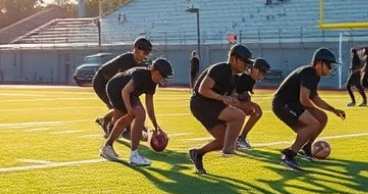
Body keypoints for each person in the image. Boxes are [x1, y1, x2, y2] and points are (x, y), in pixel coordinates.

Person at [271, 48, 346, 170]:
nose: (330, 69)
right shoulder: (309, 72)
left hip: (291, 103)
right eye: (329, 65)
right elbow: (304, 99)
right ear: (319, 62)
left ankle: (307, 147)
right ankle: (289, 155)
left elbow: (315, 98)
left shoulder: (314, 75)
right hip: (282, 104)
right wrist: (311, 115)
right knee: (313, 124)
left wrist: (333, 110)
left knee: (322, 117)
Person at [188, 44, 254, 175]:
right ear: (234, 59)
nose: (246, 65)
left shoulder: (235, 77)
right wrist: (222, 98)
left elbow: (229, 94)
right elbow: (203, 89)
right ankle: (229, 149)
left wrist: (236, 97)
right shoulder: (220, 69)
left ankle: (198, 153)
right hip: (201, 103)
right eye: (244, 62)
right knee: (238, 116)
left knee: (222, 141)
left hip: (211, 104)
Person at [99, 58, 172, 166]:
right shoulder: (141, 75)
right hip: (115, 89)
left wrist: (156, 126)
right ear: (155, 71)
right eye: (162, 75)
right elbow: (125, 91)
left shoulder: (153, 82)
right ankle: (133, 154)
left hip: (128, 93)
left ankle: (108, 147)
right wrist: (129, 109)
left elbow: (150, 106)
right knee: (135, 114)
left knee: (133, 115)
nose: (162, 79)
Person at [92, 37, 152, 134]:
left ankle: (106, 121)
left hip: (111, 84)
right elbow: (118, 82)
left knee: (122, 106)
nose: (146, 55)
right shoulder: (127, 60)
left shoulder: (138, 63)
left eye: (147, 53)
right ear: (136, 49)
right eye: (144, 52)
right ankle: (112, 127)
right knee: (120, 107)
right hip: (102, 82)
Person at [234, 57, 271, 151]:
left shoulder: (252, 78)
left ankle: (238, 138)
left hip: (233, 101)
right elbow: (231, 89)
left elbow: (243, 91)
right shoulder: (241, 75)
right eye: (262, 72)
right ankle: (239, 138)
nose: (263, 76)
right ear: (256, 69)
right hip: (225, 101)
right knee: (256, 110)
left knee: (254, 111)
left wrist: (244, 95)